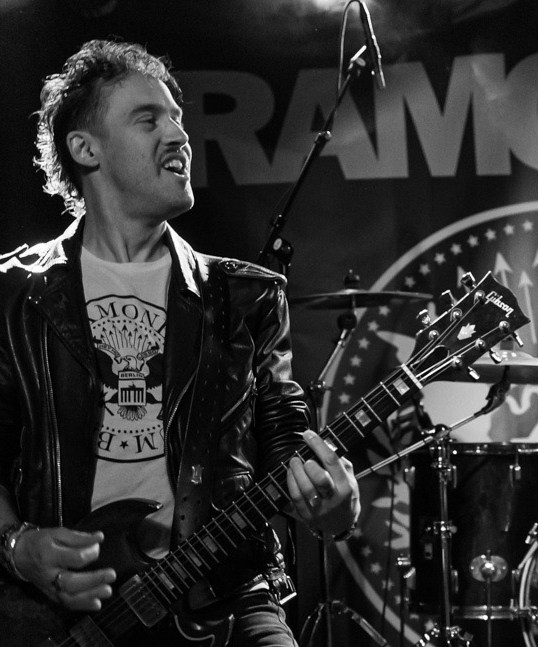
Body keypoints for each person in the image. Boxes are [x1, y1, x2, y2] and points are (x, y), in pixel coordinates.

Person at [0, 39, 360, 647]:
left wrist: (334, 507)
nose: (179, 135)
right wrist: (17, 547)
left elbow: (290, 453)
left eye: (177, 118)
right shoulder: (14, 295)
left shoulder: (245, 296)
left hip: (225, 595)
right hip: (56, 614)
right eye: (149, 119)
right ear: (85, 149)